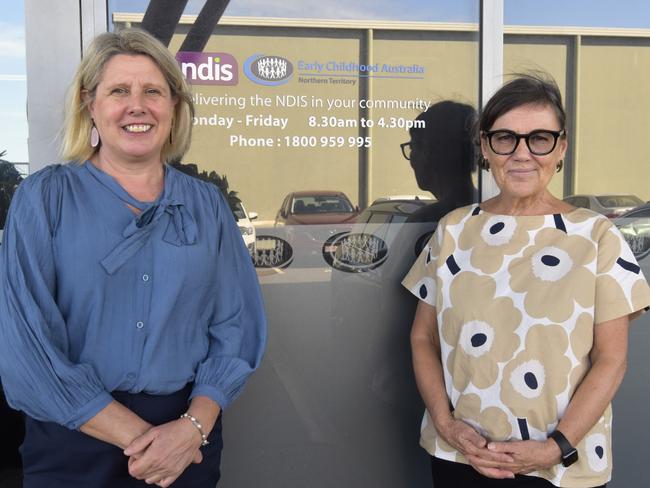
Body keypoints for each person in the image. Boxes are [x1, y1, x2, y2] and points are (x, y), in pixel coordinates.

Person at [0, 28, 266, 487]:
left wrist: (190, 431)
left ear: (174, 106)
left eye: (153, 91)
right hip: (75, 438)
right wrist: (148, 441)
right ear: (90, 104)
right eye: (119, 90)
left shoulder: (206, 204)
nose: (136, 106)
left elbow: (234, 328)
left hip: (187, 436)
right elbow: (26, 347)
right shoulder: (45, 198)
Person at [402, 73, 650, 487]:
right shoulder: (453, 230)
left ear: (561, 148)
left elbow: (612, 360)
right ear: (484, 147)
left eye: (539, 138)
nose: (522, 154)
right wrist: (447, 426)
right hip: (459, 455)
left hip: (561, 465)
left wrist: (556, 447)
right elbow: (422, 338)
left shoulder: (597, 237)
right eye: (505, 138)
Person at [400, 100, 477, 223]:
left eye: (412, 147)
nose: (412, 160)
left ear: (428, 152)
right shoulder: (491, 210)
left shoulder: (426, 220)